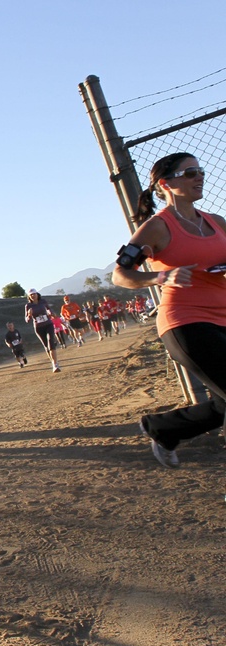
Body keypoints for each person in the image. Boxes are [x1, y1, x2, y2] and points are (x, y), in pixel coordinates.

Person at [112, 152, 226, 469]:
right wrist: (162, 276)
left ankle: (163, 429)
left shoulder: (216, 223)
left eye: (200, 171)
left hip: (223, 318)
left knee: (222, 403)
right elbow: (120, 274)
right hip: (186, 322)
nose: (199, 176)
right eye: (190, 173)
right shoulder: (158, 227)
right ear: (166, 183)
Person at [24, 289, 61, 372]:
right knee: (46, 346)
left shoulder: (43, 301)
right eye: (31, 295)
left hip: (48, 324)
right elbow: (27, 320)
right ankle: (52, 362)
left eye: (34, 294)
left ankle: (55, 364)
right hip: (39, 327)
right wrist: (29, 315)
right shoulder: (28, 306)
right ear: (29, 297)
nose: (33, 296)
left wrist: (51, 313)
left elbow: (49, 309)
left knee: (50, 342)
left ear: (37, 294)